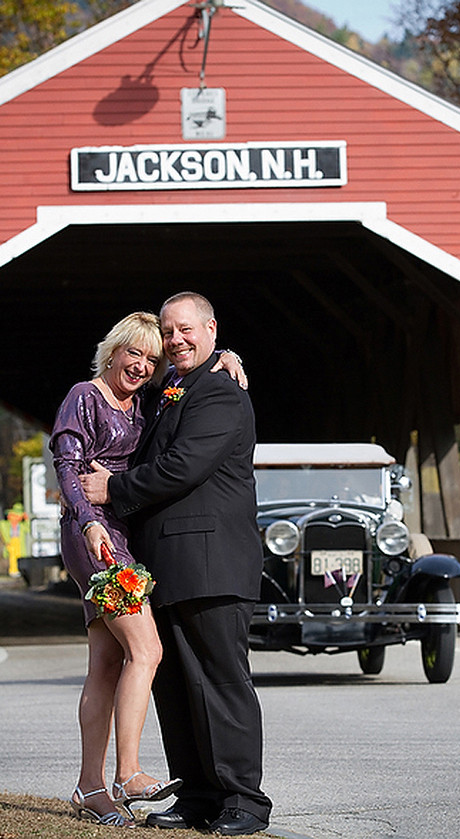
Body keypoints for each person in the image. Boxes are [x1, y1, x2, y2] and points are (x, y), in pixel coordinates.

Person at [80, 292, 271, 835]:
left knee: (220, 684)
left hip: (211, 564)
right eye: (169, 333)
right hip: (166, 566)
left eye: (186, 329)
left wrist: (111, 488)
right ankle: (198, 796)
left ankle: (243, 801)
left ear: (210, 328)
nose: (176, 340)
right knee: (178, 689)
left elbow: (181, 467)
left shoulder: (219, 392)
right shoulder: (171, 392)